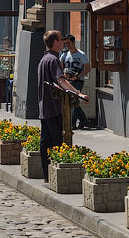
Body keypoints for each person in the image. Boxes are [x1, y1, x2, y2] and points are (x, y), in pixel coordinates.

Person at [37, 30, 88, 181]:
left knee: (46, 141)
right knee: (57, 141)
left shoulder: (45, 59)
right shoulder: (52, 60)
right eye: (60, 39)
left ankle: (47, 174)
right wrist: (78, 94)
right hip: (53, 107)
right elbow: (62, 81)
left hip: (45, 106)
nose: (63, 41)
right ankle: (57, 175)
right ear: (54, 42)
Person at [60, 34, 92, 130]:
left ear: (73, 42)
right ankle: (83, 120)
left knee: (73, 100)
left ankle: (72, 123)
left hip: (78, 81)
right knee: (73, 101)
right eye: (65, 44)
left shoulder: (81, 55)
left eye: (69, 43)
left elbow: (88, 68)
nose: (67, 45)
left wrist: (77, 76)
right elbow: (60, 66)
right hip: (67, 81)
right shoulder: (64, 55)